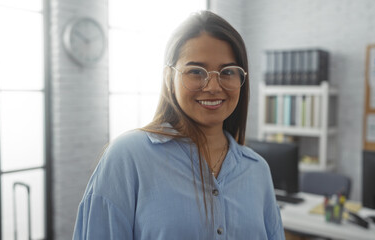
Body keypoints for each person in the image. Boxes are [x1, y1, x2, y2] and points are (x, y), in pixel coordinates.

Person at [73, 10, 285, 240]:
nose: (213, 86)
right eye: (195, 71)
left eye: (227, 72)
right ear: (168, 79)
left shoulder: (257, 170)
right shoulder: (127, 157)